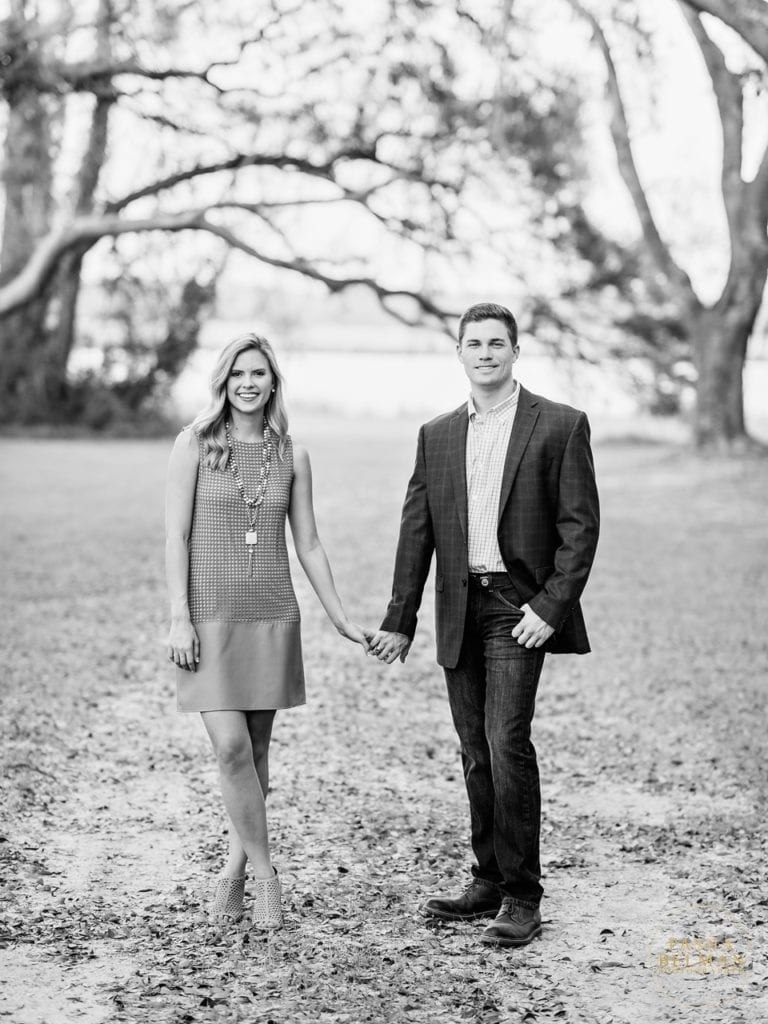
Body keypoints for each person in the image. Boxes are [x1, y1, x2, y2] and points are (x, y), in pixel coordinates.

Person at [369, 302, 599, 948]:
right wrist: (400, 620)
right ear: (460, 353)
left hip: (517, 609)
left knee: (506, 741)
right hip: (458, 605)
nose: (486, 353)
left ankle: (523, 895)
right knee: (474, 749)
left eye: (497, 343)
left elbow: (580, 529)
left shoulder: (560, 425)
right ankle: (489, 879)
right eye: (475, 343)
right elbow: (416, 533)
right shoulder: (437, 435)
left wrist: (551, 607)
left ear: (515, 352)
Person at [165, 332, 369, 930]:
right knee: (230, 748)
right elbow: (176, 536)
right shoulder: (194, 444)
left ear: (273, 381)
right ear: (223, 383)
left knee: (256, 752)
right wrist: (179, 615)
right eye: (237, 374)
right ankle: (265, 876)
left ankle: (234, 870)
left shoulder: (292, 455)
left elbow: (309, 542)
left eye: (258, 373)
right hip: (207, 617)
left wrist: (339, 616)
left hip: (271, 613)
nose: (247, 384)